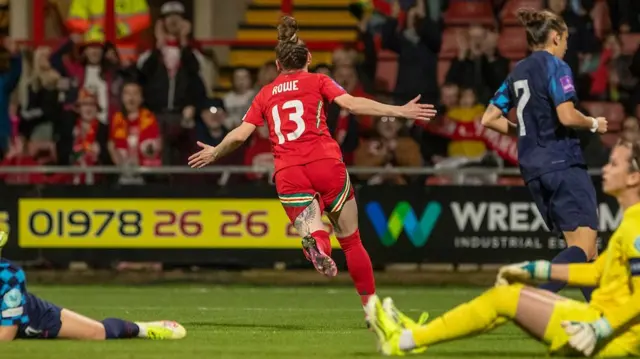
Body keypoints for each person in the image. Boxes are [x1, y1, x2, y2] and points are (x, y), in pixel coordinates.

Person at [188, 16, 436, 308]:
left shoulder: (265, 94)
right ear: (309, 58)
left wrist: (215, 152)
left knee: (315, 229)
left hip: (289, 171)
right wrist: (401, 111)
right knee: (352, 241)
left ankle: (317, 244)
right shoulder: (319, 80)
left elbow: (242, 134)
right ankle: (371, 310)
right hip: (325, 162)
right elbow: (353, 105)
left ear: (278, 66)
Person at [366, 136, 640, 357]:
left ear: (632, 178)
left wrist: (600, 329)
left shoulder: (636, 226)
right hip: (599, 324)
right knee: (507, 298)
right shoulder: (631, 220)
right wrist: (533, 269)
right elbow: (595, 274)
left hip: (609, 334)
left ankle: (405, 339)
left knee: (504, 299)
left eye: (614, 165)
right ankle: (411, 336)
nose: (604, 169)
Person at [480, 8, 608, 301]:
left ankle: (601, 312)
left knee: (586, 249)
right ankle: (529, 299)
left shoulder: (518, 71)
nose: (566, 46)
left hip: (534, 168)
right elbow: (566, 115)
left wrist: (525, 130)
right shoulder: (556, 66)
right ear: (555, 37)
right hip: (562, 162)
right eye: (565, 40)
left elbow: (488, 118)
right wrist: (593, 123)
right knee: (585, 247)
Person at [0, 254, 185, 340]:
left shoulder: (9, 275)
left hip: (34, 319)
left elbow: (6, 334)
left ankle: (140, 328)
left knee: (98, 333)